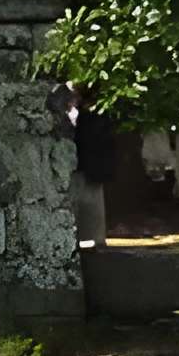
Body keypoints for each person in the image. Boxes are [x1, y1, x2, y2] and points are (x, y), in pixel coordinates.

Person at [68, 84, 117, 245]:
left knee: (86, 203)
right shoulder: (95, 114)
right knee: (91, 204)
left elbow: (85, 140)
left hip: (85, 165)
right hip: (89, 165)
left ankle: (90, 238)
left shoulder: (88, 116)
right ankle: (94, 238)